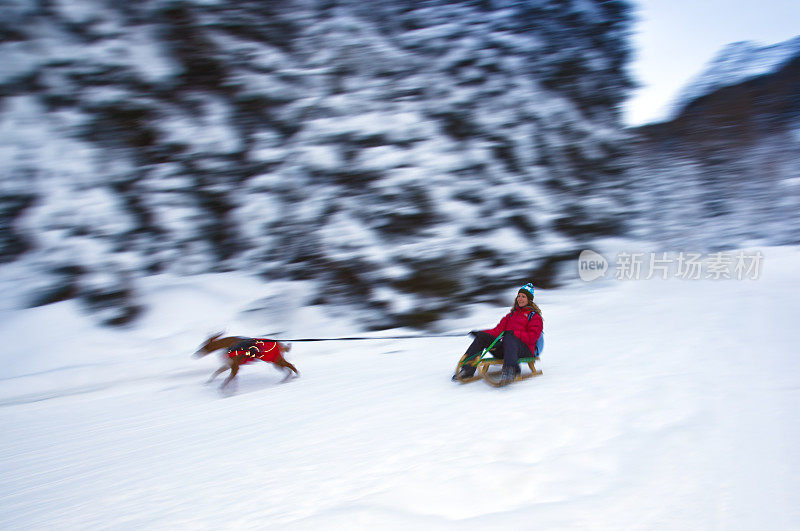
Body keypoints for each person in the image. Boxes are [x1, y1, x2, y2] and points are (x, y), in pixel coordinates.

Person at [453, 283, 543, 385]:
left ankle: (510, 370)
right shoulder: (510, 316)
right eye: (519, 296)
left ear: (529, 300)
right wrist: (480, 333)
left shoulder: (534, 317)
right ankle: (467, 369)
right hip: (507, 349)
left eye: (523, 296)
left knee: (509, 335)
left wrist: (514, 334)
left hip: (524, 350)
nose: (520, 299)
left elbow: (533, 337)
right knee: (482, 337)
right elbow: (497, 331)